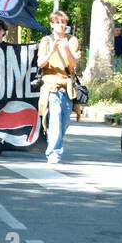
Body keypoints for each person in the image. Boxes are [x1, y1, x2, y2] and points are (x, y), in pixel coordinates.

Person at [36, 9, 81, 165]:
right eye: (58, 23)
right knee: (55, 118)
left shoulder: (72, 40)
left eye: (63, 23)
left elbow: (74, 63)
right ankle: (54, 152)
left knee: (64, 122)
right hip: (51, 85)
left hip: (67, 84)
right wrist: (52, 50)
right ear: (52, 24)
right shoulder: (46, 41)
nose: (61, 26)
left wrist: (66, 48)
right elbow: (40, 63)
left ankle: (53, 141)